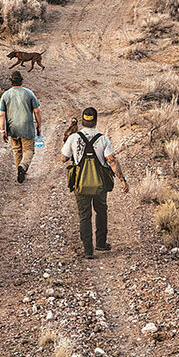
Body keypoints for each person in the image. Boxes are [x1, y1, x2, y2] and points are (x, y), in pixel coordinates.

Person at [60, 106, 128, 259]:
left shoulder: (74, 137)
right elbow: (112, 161)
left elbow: (63, 158)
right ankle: (101, 243)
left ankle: (88, 250)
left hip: (80, 184)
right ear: (96, 121)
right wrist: (122, 180)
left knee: (84, 216)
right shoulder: (103, 139)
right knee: (101, 211)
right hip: (100, 184)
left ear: (83, 121)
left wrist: (68, 139)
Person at [0, 70, 42, 183]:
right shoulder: (29, 93)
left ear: (11, 81)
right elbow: (36, 111)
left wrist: (2, 131)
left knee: (17, 150)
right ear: (21, 80)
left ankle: (20, 172)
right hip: (27, 127)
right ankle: (22, 166)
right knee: (29, 150)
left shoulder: (5, 95)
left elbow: (1, 114)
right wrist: (39, 126)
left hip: (13, 128)